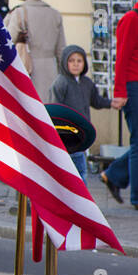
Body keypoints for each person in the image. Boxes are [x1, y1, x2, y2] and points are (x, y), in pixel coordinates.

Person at [99, 0, 138, 207]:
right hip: (135, 85)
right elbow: (121, 58)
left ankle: (114, 175)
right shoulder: (132, 19)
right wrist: (119, 91)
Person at [3, 0, 66, 99]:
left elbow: (6, 43)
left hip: (27, 69)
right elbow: (61, 51)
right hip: (50, 70)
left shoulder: (18, 13)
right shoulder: (54, 14)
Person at [50, 45, 112, 177]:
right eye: (71, 61)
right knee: (66, 170)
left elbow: (96, 101)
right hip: (65, 134)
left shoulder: (87, 83)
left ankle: (79, 195)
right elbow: (55, 108)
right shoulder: (61, 83)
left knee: (81, 170)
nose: (76, 64)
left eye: (79, 61)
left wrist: (112, 103)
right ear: (65, 62)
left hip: (81, 134)